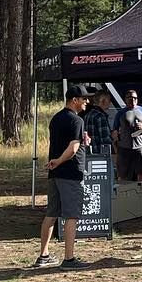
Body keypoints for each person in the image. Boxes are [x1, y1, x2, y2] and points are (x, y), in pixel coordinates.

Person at [36, 84, 92, 270]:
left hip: (55, 174)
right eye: (84, 99)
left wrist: (54, 163)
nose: (87, 102)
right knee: (71, 216)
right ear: (74, 100)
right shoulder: (77, 120)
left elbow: (65, 142)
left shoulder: (56, 118)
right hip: (70, 174)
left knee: (51, 214)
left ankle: (43, 255)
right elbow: (72, 149)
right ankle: (69, 259)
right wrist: (59, 161)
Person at [113, 89, 142, 184]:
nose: (133, 100)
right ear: (125, 100)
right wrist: (115, 135)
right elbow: (114, 129)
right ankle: (123, 196)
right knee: (122, 175)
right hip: (124, 148)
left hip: (139, 147)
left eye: (135, 98)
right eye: (130, 98)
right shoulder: (121, 113)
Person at [87, 91, 116, 156]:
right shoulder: (100, 116)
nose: (110, 103)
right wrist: (113, 136)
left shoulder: (87, 115)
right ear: (103, 101)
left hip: (89, 153)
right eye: (109, 100)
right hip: (100, 154)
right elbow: (105, 140)